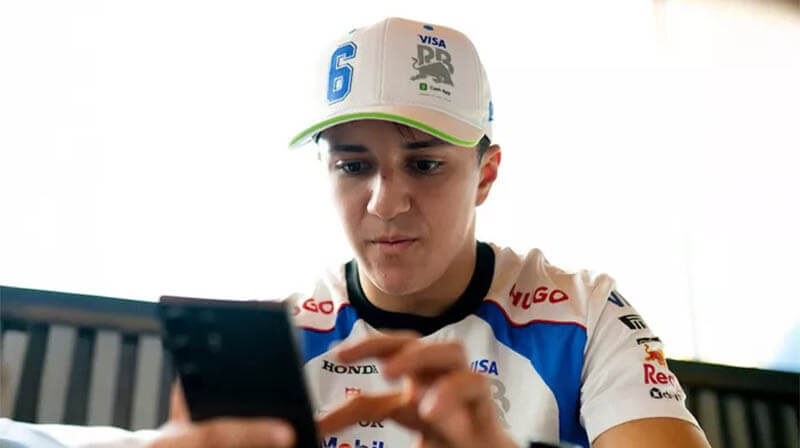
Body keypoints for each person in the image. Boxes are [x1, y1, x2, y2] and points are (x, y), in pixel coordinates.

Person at [150, 17, 711, 448]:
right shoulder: (281, 343)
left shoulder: (585, 314)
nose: (385, 203)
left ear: (485, 175)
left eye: (423, 165)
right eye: (353, 165)